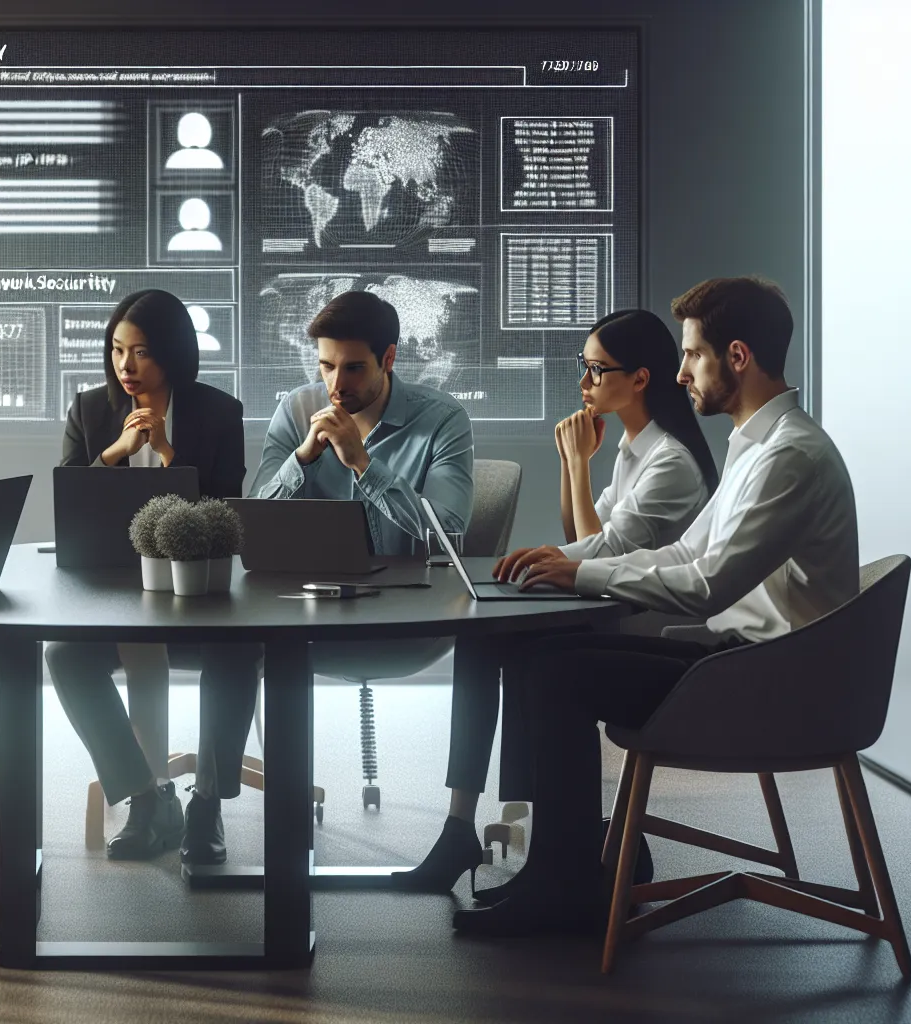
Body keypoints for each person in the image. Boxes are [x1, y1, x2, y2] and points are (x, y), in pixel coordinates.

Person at [452, 277, 858, 936]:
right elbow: (683, 556)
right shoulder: (758, 444)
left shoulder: (788, 456)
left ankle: (566, 883)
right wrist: (578, 568)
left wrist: (583, 573)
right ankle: (568, 866)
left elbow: (706, 587)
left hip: (770, 680)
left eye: (692, 354)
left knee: (557, 673)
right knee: (539, 656)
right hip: (742, 660)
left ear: (737, 356)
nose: (679, 372)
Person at [393, 308, 718, 891]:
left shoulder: (669, 461)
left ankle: (535, 837)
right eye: (583, 368)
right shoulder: (634, 447)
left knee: (513, 643)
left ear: (639, 379)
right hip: (608, 603)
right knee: (481, 634)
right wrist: (580, 466)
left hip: (643, 627)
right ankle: (460, 824)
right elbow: (581, 541)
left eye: (595, 370)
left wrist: (572, 463)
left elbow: (600, 557)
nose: (584, 383)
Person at [158, 289, 473, 868]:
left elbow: (445, 534)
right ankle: (207, 803)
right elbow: (249, 515)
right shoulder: (296, 409)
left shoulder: (442, 420)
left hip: (402, 611)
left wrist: (363, 464)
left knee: (260, 643)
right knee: (235, 642)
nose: (337, 383)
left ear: (389, 360)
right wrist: (302, 459)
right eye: (326, 366)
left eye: (354, 368)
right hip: (298, 602)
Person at [46, 288, 246, 861]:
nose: (126, 367)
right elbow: (69, 498)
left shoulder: (217, 412)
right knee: (63, 655)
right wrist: (114, 452)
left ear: (174, 355)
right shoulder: (90, 410)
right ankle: (145, 795)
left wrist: (167, 454)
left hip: (195, 596)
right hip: (111, 597)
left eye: (142, 353)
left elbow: (226, 513)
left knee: (237, 652)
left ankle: (206, 802)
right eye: (116, 351)